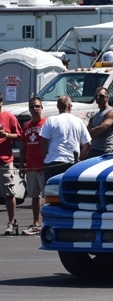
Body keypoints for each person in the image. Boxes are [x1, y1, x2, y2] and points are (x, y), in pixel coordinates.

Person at [40, 96, 92, 183]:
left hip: (53, 161)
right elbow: (87, 143)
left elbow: (44, 141)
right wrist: (81, 159)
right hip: (72, 162)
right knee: (69, 190)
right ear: (69, 106)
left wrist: (44, 156)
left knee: (52, 192)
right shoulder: (78, 121)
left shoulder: (51, 120)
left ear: (58, 107)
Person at [18, 97, 46, 235]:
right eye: (32, 107)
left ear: (41, 107)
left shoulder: (46, 123)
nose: (35, 109)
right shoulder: (27, 125)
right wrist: (22, 164)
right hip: (30, 166)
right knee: (34, 196)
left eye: (37, 106)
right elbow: (23, 146)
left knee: (48, 196)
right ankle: (36, 223)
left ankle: (48, 223)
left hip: (44, 166)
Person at [0, 92, 22, 235]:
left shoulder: (9, 117)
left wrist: (6, 135)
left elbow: (20, 136)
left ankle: (12, 221)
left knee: (9, 193)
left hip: (4, 160)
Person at [87, 87, 113, 158]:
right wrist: (92, 132)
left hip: (105, 151)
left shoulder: (111, 112)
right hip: (92, 150)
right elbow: (87, 134)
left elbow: (101, 130)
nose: (98, 98)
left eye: (101, 96)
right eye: (96, 96)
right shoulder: (94, 116)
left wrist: (92, 132)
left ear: (107, 97)